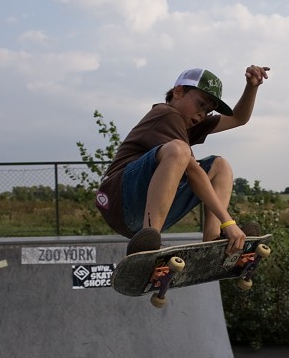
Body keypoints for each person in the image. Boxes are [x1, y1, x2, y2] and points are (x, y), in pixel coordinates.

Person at [95, 66, 270, 255]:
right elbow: (194, 171)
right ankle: (149, 241)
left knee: (220, 166)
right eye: (200, 104)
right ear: (178, 92)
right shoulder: (166, 113)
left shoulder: (191, 123)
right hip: (118, 199)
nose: (202, 115)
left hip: (140, 210)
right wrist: (228, 222)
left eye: (208, 111)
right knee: (179, 150)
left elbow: (237, 118)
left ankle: (212, 241)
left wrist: (252, 87)